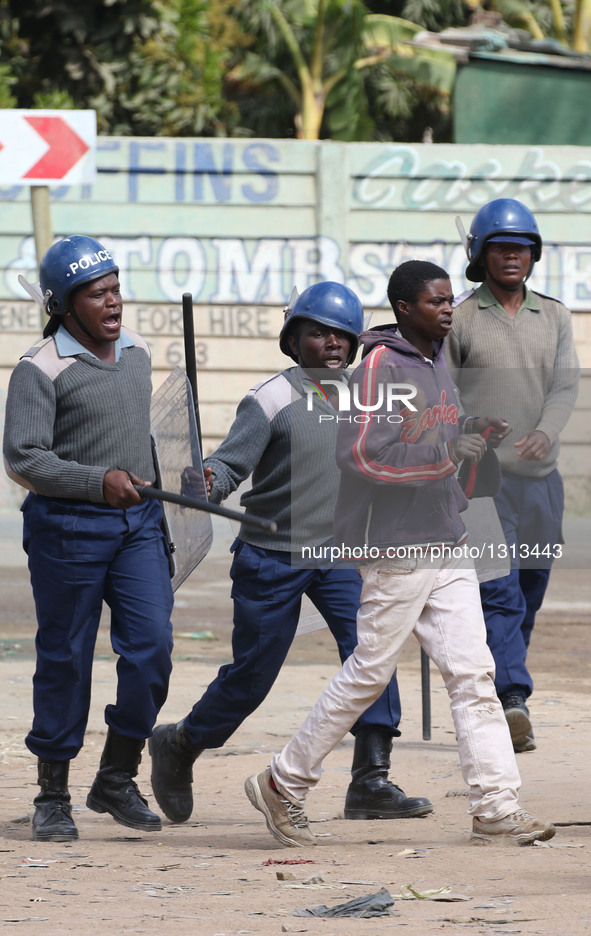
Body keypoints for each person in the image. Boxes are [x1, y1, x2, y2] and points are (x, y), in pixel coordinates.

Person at [243, 260, 556, 848]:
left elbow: (431, 426)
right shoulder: (380, 368)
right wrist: (444, 452)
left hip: (446, 538)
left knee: (473, 673)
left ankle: (495, 804)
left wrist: (470, 426)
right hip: (398, 547)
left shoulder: (436, 358)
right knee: (367, 674)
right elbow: (361, 454)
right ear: (405, 309)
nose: (448, 309)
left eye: (450, 301)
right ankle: (282, 781)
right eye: (436, 302)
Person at [149, 281, 432, 825]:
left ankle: (371, 778)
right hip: (271, 555)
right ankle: (181, 743)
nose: (330, 344)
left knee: (373, 650)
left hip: (344, 556)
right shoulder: (269, 399)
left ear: (355, 344)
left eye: (341, 336)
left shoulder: (366, 396)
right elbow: (230, 465)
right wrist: (207, 481)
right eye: (317, 332)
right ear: (293, 338)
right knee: (253, 675)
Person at [3, 235, 174, 842]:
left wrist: (144, 483)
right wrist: (98, 482)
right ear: (63, 304)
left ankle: (117, 776)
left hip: (136, 528)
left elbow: (135, 438)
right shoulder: (39, 368)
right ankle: (53, 794)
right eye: (96, 294)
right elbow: (23, 460)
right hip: (66, 529)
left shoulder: (138, 354)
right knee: (65, 658)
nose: (112, 303)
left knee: (152, 649)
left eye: (116, 288)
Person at [447, 199, 579, 753]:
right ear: (479, 254)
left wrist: (547, 431)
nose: (512, 256)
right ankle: (512, 696)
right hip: (483, 480)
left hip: (542, 481)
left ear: (534, 255)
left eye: (521, 248)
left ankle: (506, 691)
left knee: (529, 590)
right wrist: (461, 434)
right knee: (499, 592)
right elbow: (441, 393)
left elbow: (565, 387)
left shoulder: (555, 315)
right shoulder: (458, 316)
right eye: (501, 247)